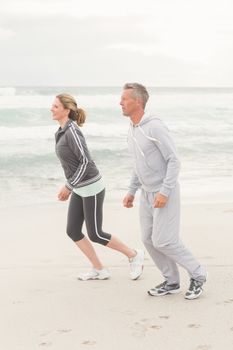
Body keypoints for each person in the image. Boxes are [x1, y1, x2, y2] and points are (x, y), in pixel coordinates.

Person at [120, 83, 207, 299]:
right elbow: (138, 164)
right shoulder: (132, 129)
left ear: (138, 102)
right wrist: (132, 190)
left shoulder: (155, 127)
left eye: (124, 99)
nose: (120, 102)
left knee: (165, 240)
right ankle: (171, 281)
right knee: (148, 239)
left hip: (163, 191)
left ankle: (198, 274)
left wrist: (164, 192)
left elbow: (174, 161)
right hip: (146, 193)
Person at [51, 93, 144, 281]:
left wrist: (68, 186)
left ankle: (133, 255)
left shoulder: (72, 132)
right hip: (80, 187)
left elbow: (86, 162)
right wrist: (72, 185)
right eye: (52, 106)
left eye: (55, 106)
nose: (51, 109)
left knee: (96, 234)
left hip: (91, 186)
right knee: (73, 231)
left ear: (66, 110)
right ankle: (99, 269)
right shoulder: (61, 131)